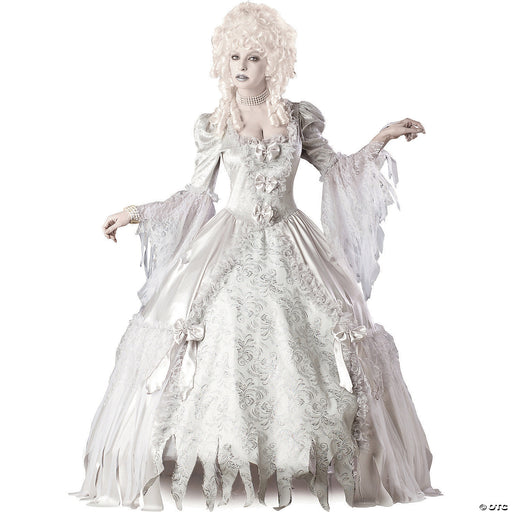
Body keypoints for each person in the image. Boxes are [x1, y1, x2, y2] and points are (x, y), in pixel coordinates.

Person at [69, 3, 441, 511]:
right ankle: (229, 451)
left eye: (253, 57)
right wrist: (135, 212)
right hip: (230, 242)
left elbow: (336, 171)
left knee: (313, 327)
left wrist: (380, 138)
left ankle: (298, 449)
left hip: (294, 240)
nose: (241, 67)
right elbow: (195, 194)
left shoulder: (297, 117)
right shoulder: (217, 122)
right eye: (234, 57)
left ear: (275, 62)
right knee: (225, 325)